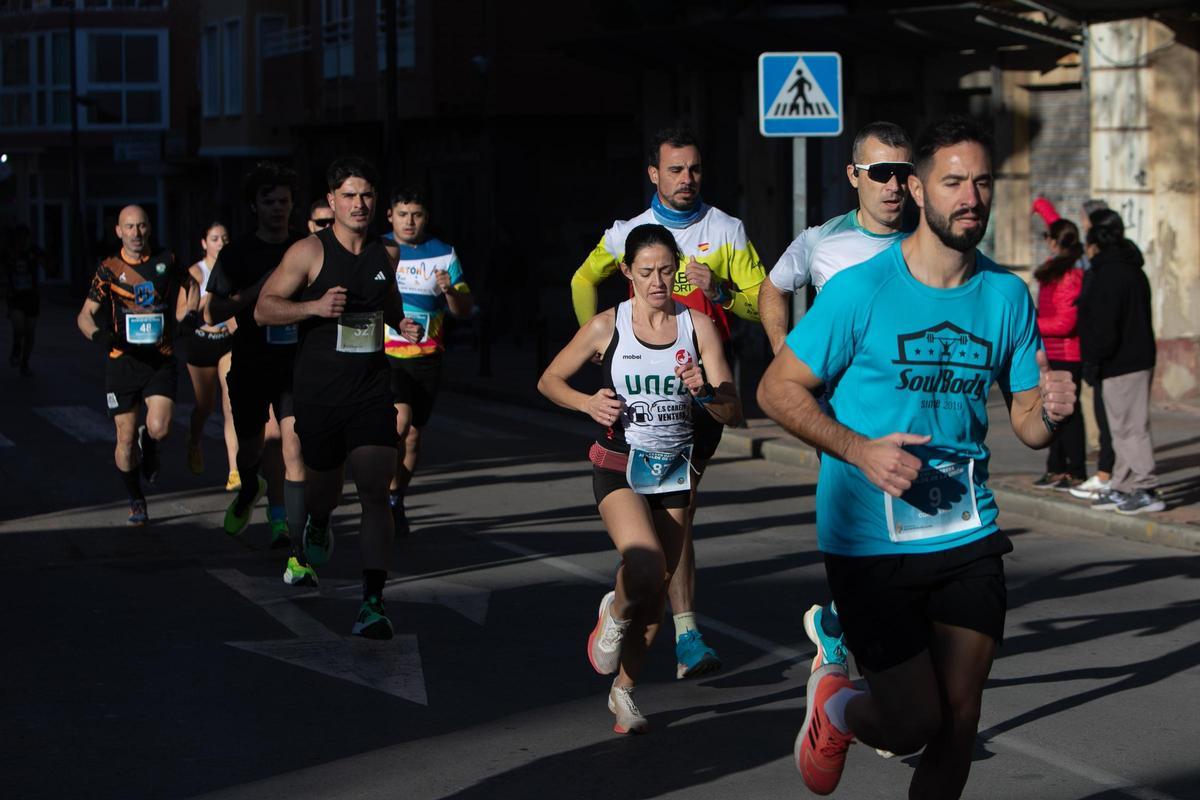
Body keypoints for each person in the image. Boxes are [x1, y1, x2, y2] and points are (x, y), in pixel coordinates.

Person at [757, 116, 1076, 798]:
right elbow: (776, 390)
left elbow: (1027, 427)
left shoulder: (1006, 295)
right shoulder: (860, 291)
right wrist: (857, 449)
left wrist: (1049, 409)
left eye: (982, 182)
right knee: (910, 724)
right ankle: (837, 704)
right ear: (920, 191)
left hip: (966, 527)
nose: (971, 197)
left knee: (961, 721)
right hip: (869, 534)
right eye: (953, 181)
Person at [571, 125, 766, 679]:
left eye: (695, 169)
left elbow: (760, 303)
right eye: (675, 169)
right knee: (669, 515)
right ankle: (680, 628)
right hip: (641, 398)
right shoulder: (628, 233)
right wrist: (597, 352)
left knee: (678, 510)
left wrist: (724, 290)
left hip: (701, 395)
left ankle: (651, 606)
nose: (687, 179)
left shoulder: (726, 229)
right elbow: (581, 281)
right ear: (654, 174)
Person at [540, 223, 741, 733]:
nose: (657, 281)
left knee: (656, 591)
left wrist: (704, 392)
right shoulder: (608, 326)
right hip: (618, 464)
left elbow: (731, 410)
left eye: (667, 272)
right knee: (646, 563)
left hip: (673, 468)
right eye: (646, 271)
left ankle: (624, 692)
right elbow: (549, 380)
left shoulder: (699, 327)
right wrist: (587, 402)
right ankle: (614, 611)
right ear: (627, 272)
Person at [256, 156, 422, 638]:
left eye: (367, 195)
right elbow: (264, 310)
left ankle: (373, 601)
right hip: (319, 394)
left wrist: (401, 323)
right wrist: (312, 305)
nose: (359, 204)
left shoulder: (384, 254)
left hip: (371, 390)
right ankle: (319, 521)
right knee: (325, 490)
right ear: (332, 201)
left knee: (374, 487)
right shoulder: (309, 251)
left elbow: (387, 304)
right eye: (349, 196)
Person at [206, 162, 309, 568]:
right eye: (269, 201)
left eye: (284, 201)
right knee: (250, 450)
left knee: (294, 447)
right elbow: (212, 311)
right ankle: (250, 488)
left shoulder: (304, 248)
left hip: (294, 364)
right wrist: (256, 291)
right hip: (250, 362)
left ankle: (293, 540)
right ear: (254, 206)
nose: (278, 208)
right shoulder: (236, 253)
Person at [76, 206, 198, 525]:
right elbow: (84, 314)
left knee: (160, 427)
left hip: (160, 358)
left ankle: (153, 444)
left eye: (141, 226)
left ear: (149, 228)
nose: (136, 233)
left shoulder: (166, 260)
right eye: (129, 227)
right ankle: (135, 498)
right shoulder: (109, 268)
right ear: (118, 231)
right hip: (123, 363)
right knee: (125, 440)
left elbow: (192, 285)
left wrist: (190, 315)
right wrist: (99, 336)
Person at [759, 121, 914, 354]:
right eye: (880, 173)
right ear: (853, 175)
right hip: (839, 389)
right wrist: (782, 348)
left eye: (902, 173)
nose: (893, 186)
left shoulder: (929, 242)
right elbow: (772, 289)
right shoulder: (821, 240)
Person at [381, 186, 473, 534]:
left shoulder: (443, 253)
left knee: (414, 437)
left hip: (427, 358)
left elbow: (464, 308)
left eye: (416, 215)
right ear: (390, 216)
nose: (409, 221)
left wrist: (450, 290)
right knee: (399, 423)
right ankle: (378, 495)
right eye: (402, 214)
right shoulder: (380, 249)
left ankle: (395, 497)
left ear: (425, 218)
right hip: (387, 355)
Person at [1078, 209, 1163, 515]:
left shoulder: (1109, 275)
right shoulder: (1131, 270)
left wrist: (1094, 361)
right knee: (1121, 428)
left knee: (1130, 428)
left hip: (1121, 362)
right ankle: (1122, 485)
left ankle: (1144, 486)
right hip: (1133, 359)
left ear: (1095, 246)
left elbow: (1104, 326)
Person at [1031, 219, 1087, 491]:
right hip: (1050, 351)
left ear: (1055, 242)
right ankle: (1055, 468)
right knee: (1053, 410)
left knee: (1070, 413)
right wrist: (1039, 204)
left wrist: (1033, 324)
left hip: (1068, 352)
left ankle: (1076, 471)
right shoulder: (1053, 271)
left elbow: (1066, 322)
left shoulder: (1071, 276)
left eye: (1048, 238)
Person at [185, 221, 240, 491]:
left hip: (226, 343)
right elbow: (184, 312)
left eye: (224, 238)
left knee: (231, 405)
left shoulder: (234, 269)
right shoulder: (196, 272)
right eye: (215, 238)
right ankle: (194, 442)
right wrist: (210, 298)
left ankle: (234, 470)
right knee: (205, 406)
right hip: (201, 344)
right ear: (204, 243)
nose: (220, 243)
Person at [1068, 198, 1116, 500]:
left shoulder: (1106, 271)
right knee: (1102, 413)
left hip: (1102, 357)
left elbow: (1104, 319)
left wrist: (1095, 358)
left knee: (1114, 422)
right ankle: (1108, 471)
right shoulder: (1101, 268)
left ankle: (1109, 473)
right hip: (1094, 354)